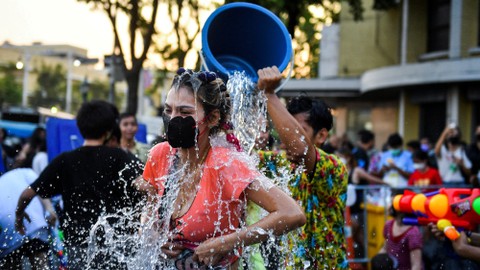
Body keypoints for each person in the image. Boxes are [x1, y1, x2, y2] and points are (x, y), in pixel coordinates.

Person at [136, 68, 306, 269]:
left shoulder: (226, 164)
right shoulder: (160, 155)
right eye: (168, 110)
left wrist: (227, 242)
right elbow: (149, 211)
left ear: (212, 118)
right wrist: (154, 235)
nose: (172, 119)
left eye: (184, 112)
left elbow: (292, 213)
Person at [15, 100, 143, 269]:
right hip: (116, 245)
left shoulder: (65, 160)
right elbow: (145, 186)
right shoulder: (119, 157)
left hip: (78, 246)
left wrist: (19, 217)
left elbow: (27, 194)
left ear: (81, 127)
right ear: (109, 129)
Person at [257, 66, 348, 269]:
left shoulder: (334, 167)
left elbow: (300, 148)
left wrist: (269, 94)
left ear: (322, 135)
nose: (286, 136)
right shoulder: (282, 162)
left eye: (299, 129)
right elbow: (239, 158)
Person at [0, 168, 52, 269]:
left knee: (12, 264)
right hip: (34, 224)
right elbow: (40, 188)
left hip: (7, 231)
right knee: (40, 264)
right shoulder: (26, 171)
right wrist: (49, 209)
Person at [378, 191, 423, 270]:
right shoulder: (389, 225)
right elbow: (385, 248)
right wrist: (377, 260)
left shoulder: (412, 233)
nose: (389, 207)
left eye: (392, 204)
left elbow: (416, 265)